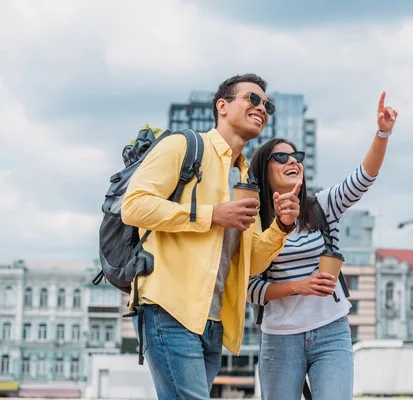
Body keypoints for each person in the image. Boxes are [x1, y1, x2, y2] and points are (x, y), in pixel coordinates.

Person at [121, 74, 300, 399]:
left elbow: (251, 261)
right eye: (253, 99)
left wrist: (281, 227)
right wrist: (212, 215)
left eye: (267, 105)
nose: (263, 108)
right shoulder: (183, 146)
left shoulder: (247, 180)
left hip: (212, 319)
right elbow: (133, 206)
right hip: (168, 306)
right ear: (222, 106)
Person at [247, 91, 398, 400]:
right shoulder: (253, 218)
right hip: (280, 337)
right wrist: (299, 286)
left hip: (331, 330)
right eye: (281, 157)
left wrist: (382, 132)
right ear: (264, 171)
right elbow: (249, 288)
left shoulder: (323, 205)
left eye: (297, 156)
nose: (292, 160)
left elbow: (364, 177)